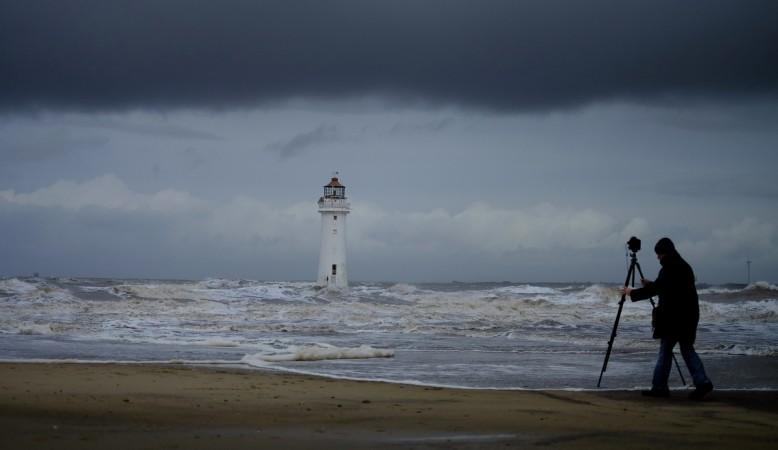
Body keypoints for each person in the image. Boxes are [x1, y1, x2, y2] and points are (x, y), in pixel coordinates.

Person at [622, 237, 714, 400]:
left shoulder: (669, 268)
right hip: (689, 315)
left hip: (673, 317)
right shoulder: (684, 266)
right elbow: (667, 287)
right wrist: (651, 284)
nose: (658, 258)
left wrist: (631, 293)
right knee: (686, 348)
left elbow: (660, 289)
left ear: (665, 253)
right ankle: (702, 382)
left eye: (659, 254)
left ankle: (659, 387)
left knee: (665, 350)